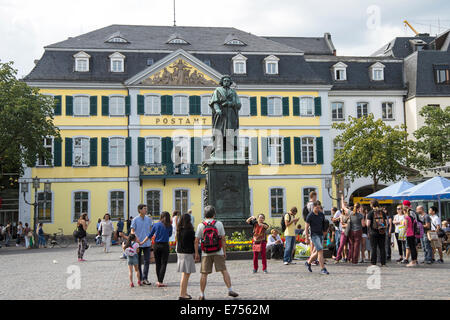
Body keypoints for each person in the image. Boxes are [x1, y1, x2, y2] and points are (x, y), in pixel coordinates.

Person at [194, 205, 239, 300]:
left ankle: (202, 294)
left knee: (204, 274)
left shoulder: (201, 225)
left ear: (204, 214)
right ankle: (230, 289)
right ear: (214, 214)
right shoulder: (219, 224)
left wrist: (197, 254)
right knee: (224, 270)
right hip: (218, 251)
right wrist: (224, 251)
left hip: (206, 252)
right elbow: (223, 239)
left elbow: (196, 240)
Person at [140, 211, 172, 287]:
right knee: (164, 263)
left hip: (156, 246)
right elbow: (170, 234)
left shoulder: (156, 225)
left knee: (158, 263)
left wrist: (142, 242)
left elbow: (150, 235)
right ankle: (160, 281)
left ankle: (158, 280)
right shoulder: (169, 226)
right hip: (165, 245)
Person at [304, 201, 329, 275]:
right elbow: (306, 227)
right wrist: (307, 237)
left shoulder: (321, 214)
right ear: (313, 207)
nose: (318, 209)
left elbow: (324, 224)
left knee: (318, 251)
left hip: (320, 234)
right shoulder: (310, 215)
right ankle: (323, 269)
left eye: (319, 207)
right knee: (320, 251)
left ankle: (308, 262)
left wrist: (325, 232)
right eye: (316, 207)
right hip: (314, 235)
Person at [131, 205, 153, 285]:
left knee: (147, 261)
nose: (146, 210)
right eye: (144, 209)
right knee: (138, 262)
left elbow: (151, 230)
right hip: (138, 244)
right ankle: (139, 278)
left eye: (146, 208)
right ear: (139, 210)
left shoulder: (149, 219)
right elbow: (132, 231)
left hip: (147, 243)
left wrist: (151, 239)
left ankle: (145, 278)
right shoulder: (135, 219)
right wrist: (135, 238)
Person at [176, 213, 196, 300]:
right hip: (187, 254)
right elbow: (194, 242)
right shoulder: (190, 231)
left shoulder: (179, 230)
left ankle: (184, 292)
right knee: (185, 275)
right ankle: (182, 294)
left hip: (180, 253)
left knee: (185, 275)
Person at [366, 200, 387, 267]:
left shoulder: (370, 213)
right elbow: (387, 223)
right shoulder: (382, 212)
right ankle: (383, 262)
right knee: (382, 247)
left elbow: (368, 224)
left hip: (373, 232)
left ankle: (373, 262)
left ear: (372, 205)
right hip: (382, 232)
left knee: (374, 247)